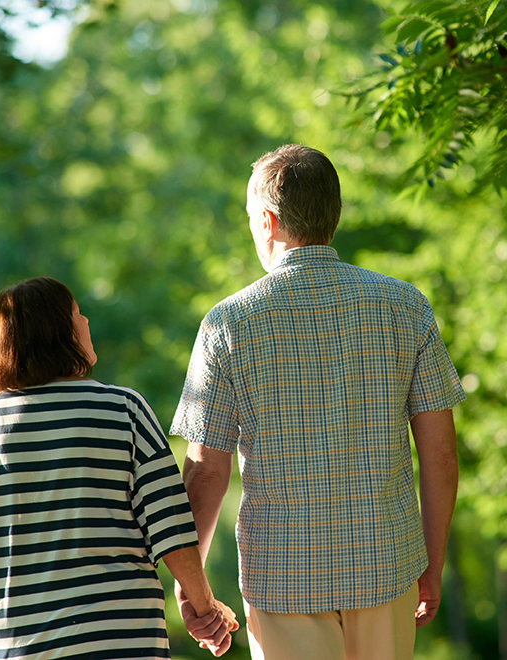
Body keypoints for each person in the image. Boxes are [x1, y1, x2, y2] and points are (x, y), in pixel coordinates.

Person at [170, 145, 465, 660]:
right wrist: (430, 566)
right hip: (388, 569)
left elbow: (207, 471)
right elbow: (440, 456)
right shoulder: (405, 306)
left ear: (267, 220)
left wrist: (193, 587)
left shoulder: (228, 323)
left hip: (282, 580)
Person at [0, 276, 238, 660]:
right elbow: (172, 529)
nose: (87, 321)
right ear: (57, 332)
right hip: (121, 642)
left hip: (17, 646)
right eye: (77, 314)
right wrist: (204, 607)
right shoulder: (124, 411)